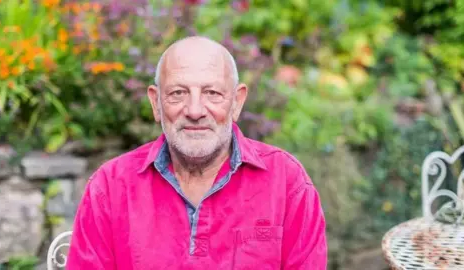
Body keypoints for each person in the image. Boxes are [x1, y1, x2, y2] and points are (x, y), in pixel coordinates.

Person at [66, 36, 327, 269]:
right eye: (178, 93)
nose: (194, 110)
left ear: (237, 102)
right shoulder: (111, 186)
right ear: (156, 103)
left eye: (211, 93)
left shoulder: (286, 181)